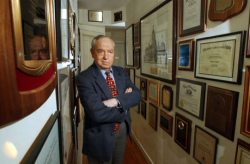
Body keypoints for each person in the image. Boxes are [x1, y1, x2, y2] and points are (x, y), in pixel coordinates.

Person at [76, 35, 141, 164]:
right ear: (92, 52)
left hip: (121, 131)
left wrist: (116, 101)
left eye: (110, 52)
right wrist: (125, 103)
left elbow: (137, 95)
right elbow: (97, 113)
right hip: (100, 134)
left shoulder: (121, 72)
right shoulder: (84, 78)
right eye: (101, 51)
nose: (106, 57)